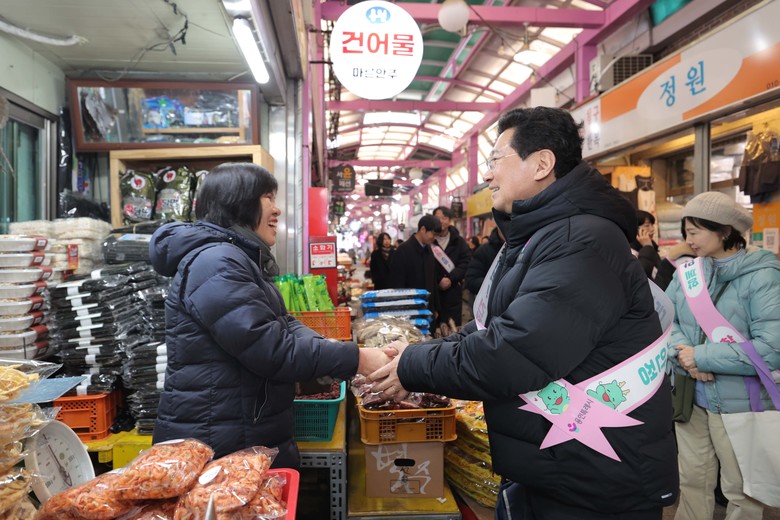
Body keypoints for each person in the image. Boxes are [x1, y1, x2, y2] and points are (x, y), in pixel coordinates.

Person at [370, 107, 679, 519]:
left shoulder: (581, 242)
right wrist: (417, 356)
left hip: (594, 481)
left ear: (542, 164)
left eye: (496, 160)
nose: (487, 175)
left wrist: (414, 365)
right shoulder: (544, 235)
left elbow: (512, 351)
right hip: (561, 464)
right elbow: (490, 327)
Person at [148, 163, 391, 467]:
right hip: (218, 443)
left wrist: (331, 348)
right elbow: (269, 348)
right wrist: (358, 359)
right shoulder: (217, 262)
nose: (277, 210)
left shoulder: (237, 258)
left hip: (235, 430)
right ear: (237, 202)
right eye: (267, 198)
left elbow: (282, 323)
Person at [666, 191, 780, 520]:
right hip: (691, 398)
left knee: (742, 489)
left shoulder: (764, 276)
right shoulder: (688, 273)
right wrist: (685, 357)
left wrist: (702, 356)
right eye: (686, 232)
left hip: (741, 403)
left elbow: (772, 348)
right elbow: (665, 320)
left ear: (725, 231)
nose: (688, 240)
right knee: (691, 480)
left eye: (694, 232)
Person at [388, 214, 441, 312]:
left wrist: (436, 308)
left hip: (428, 309)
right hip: (409, 310)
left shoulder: (429, 250)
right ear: (423, 229)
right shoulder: (403, 251)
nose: (434, 238)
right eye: (433, 234)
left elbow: (433, 282)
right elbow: (397, 284)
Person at [432, 206, 471, 328]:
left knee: (452, 330)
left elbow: (466, 263)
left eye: (444, 218)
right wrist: (438, 280)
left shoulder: (459, 242)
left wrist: (450, 278)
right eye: (437, 218)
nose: (441, 221)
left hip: (453, 292)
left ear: (449, 220)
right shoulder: (429, 240)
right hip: (433, 292)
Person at [464, 226, 504, 300]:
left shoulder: (524, 248)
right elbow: (471, 281)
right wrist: (496, 285)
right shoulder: (483, 251)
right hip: (489, 301)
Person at [631, 209, 662, 279]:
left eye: (652, 225)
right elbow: (641, 275)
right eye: (647, 225)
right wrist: (647, 247)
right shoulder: (631, 252)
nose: (652, 229)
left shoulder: (651, 246)